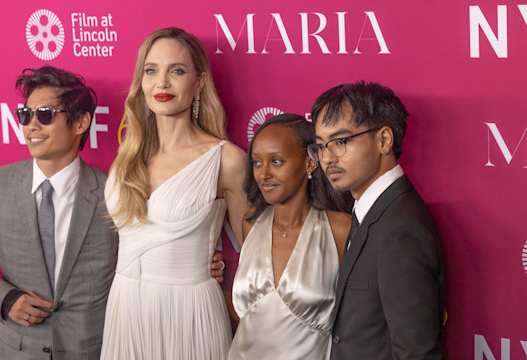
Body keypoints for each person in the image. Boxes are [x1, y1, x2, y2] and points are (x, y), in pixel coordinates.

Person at [0, 65, 118, 359]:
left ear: (81, 123)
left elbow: (143, 259)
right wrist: (6, 299)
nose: (31, 125)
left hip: (91, 350)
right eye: (25, 115)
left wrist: (201, 261)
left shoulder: (112, 192)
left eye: (45, 115)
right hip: (18, 350)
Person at [100, 27, 247, 360]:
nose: (161, 83)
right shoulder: (128, 158)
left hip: (190, 313)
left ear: (198, 83)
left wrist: (220, 279)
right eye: (151, 71)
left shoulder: (226, 160)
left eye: (176, 71)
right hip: (125, 308)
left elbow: (259, 257)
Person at [308, 81, 445, 359]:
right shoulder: (370, 211)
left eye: (341, 141)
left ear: (383, 140)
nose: (327, 158)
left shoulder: (401, 228)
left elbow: (416, 353)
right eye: (321, 146)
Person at [227, 114, 351, 360]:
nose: (263, 174)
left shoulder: (339, 228)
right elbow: (256, 312)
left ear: (309, 162)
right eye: (256, 162)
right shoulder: (251, 222)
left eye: (276, 161)